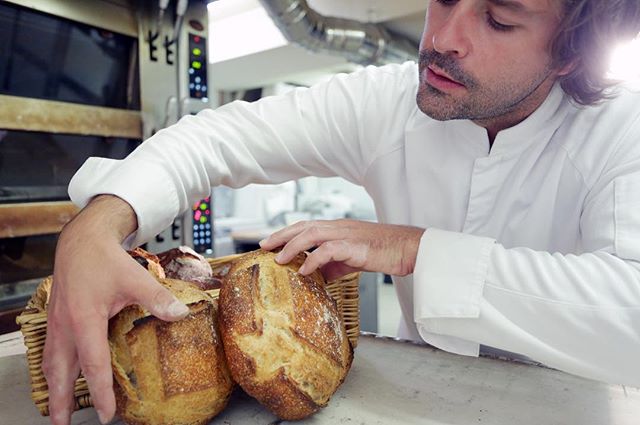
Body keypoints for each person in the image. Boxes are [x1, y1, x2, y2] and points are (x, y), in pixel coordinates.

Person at [43, 0, 640, 424]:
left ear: (570, 55)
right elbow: (213, 140)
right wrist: (98, 223)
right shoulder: (389, 103)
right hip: (417, 398)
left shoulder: (622, 131)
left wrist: (412, 248)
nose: (444, 37)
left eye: (501, 18)